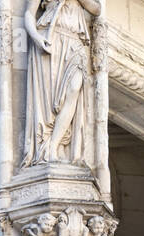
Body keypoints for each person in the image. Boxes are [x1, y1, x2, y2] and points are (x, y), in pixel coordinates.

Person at [21, 0, 102, 169]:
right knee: (50, 104)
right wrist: (36, 37)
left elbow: (96, 9)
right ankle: (50, 149)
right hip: (51, 39)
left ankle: (56, 144)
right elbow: (29, 13)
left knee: (74, 88)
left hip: (75, 41)